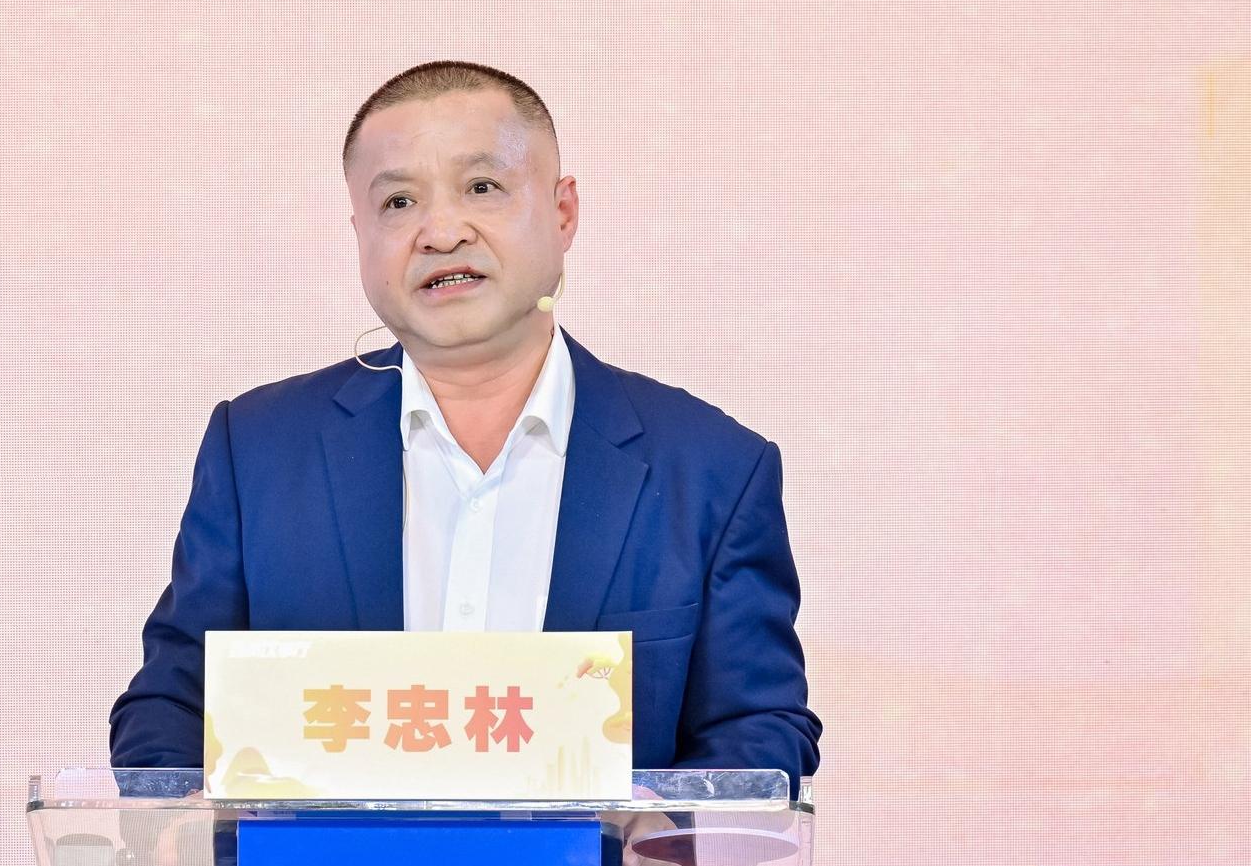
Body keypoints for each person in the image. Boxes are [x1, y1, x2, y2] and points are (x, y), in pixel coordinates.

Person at [109, 61, 822, 801]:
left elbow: (758, 727)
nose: (442, 232)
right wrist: (176, 815)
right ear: (360, 234)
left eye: (482, 187)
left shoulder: (712, 469)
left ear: (563, 212)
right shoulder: (258, 450)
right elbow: (170, 702)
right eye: (398, 201)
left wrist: (662, 822)